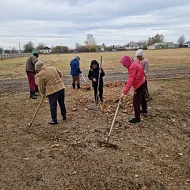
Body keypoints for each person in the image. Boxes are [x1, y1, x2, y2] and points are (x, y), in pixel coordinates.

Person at [120, 56, 147, 124]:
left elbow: (131, 80)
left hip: (140, 85)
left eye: (124, 64)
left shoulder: (132, 67)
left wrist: (124, 93)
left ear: (127, 62)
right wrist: (128, 83)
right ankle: (144, 110)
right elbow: (133, 77)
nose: (124, 65)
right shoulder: (134, 64)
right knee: (142, 97)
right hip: (143, 82)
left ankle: (137, 118)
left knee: (136, 101)